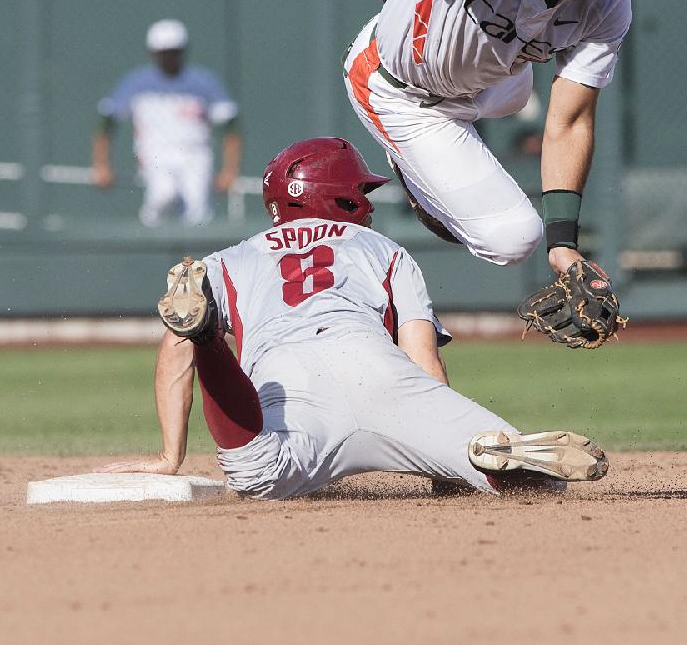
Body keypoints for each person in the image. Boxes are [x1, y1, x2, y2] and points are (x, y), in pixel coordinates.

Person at [98, 137, 608, 498]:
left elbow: (172, 351)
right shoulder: (385, 250)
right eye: (359, 192)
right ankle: (480, 456)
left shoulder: (227, 260)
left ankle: (210, 339)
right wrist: (440, 457)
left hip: (285, 382)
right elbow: (424, 361)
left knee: (257, 473)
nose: (365, 203)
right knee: (528, 477)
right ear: (334, 196)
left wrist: (170, 456)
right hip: (379, 368)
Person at [343, 0, 645, 280]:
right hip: (402, 89)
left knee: (515, 93)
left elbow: (571, 119)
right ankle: (411, 158)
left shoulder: (606, 6)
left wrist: (564, 244)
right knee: (513, 240)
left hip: (495, 84)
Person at [91, 19, 241, 226]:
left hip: (195, 154)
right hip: (155, 153)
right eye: (164, 52)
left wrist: (229, 171)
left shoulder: (203, 82)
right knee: (163, 196)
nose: (169, 57)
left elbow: (230, 126)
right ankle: (150, 250)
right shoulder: (137, 83)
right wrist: (101, 165)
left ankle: (195, 258)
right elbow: (107, 123)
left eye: (174, 51)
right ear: (153, 53)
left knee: (198, 211)